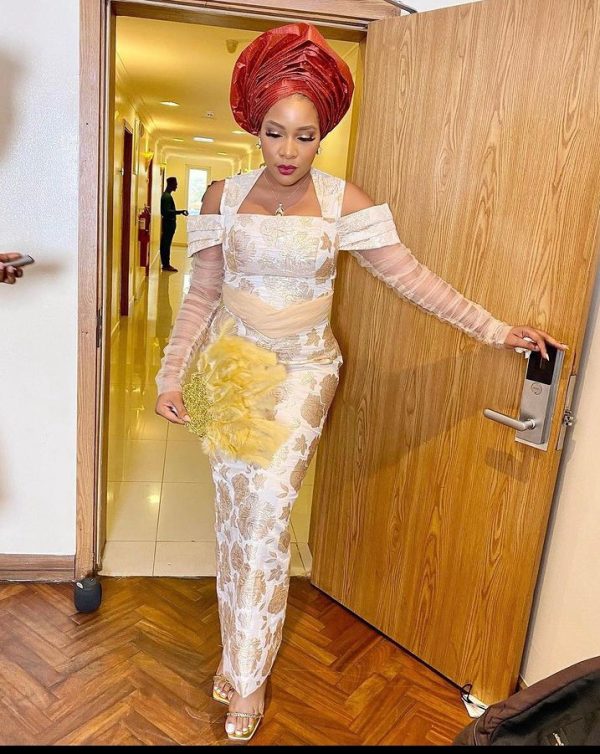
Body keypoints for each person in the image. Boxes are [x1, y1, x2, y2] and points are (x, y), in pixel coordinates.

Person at [155, 23, 567, 742]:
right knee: (235, 517)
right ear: (255, 127)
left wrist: (497, 330)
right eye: (275, 133)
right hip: (230, 370)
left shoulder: (344, 201)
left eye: (305, 136)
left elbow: (415, 280)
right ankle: (236, 652)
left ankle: (249, 678)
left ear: (324, 135)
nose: (288, 151)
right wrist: (171, 374)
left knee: (268, 512)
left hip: (304, 372)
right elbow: (202, 295)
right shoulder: (223, 196)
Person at [160, 177, 188, 272]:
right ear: (171, 184)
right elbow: (166, 211)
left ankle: (165, 264)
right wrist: (180, 212)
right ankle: (166, 265)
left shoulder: (166, 195)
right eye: (175, 184)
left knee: (166, 243)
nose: (176, 186)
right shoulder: (167, 197)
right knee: (166, 244)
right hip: (168, 224)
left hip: (168, 223)